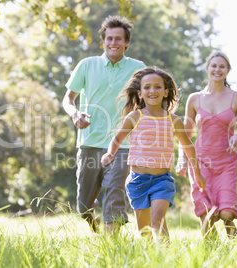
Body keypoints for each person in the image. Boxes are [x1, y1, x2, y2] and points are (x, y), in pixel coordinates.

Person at [101, 66, 206, 243]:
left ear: (166, 92)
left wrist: (197, 172)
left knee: (157, 221)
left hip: (162, 181)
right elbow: (117, 138)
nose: (152, 91)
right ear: (140, 93)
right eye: (147, 87)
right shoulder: (135, 117)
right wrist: (110, 154)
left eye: (158, 87)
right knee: (145, 231)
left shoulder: (173, 120)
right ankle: (153, 259)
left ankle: (166, 257)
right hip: (137, 181)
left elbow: (188, 146)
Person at [62, 15, 145, 233]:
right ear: (103, 41)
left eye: (118, 39)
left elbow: (147, 101)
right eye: (109, 38)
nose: (113, 43)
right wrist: (74, 114)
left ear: (126, 43)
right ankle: (94, 223)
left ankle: (112, 247)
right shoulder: (87, 65)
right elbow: (68, 99)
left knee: (114, 193)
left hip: (122, 144)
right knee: (83, 206)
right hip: (89, 142)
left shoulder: (139, 68)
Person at [176, 51, 237, 239]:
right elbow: (184, 134)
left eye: (222, 66)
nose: (217, 69)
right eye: (214, 66)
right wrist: (181, 159)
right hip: (201, 161)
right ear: (207, 68)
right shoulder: (195, 98)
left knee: (226, 213)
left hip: (226, 163)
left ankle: (236, 251)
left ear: (227, 71)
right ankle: (210, 254)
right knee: (206, 213)